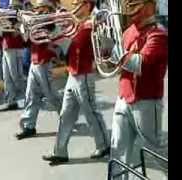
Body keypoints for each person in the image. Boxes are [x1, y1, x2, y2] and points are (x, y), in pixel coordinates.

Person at [105, 0, 168, 179]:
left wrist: (115, 52)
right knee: (118, 149)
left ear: (149, 6)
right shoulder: (128, 32)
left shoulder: (158, 34)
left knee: (153, 150)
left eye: (134, 4)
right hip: (123, 97)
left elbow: (140, 64)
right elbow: (118, 66)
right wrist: (106, 53)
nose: (129, 8)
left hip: (146, 101)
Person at [42, 0, 110, 163]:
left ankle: (104, 145)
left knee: (91, 113)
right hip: (72, 73)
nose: (74, 6)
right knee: (65, 115)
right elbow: (65, 45)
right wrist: (52, 29)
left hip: (84, 74)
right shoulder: (77, 25)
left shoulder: (92, 24)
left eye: (78, 3)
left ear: (87, 5)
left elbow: (103, 45)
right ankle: (60, 152)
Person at [15, 0, 62, 140]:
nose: (37, 10)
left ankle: (67, 118)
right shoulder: (36, 21)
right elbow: (26, 42)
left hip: (44, 62)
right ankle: (29, 126)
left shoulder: (51, 21)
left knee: (51, 95)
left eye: (40, 8)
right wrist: (22, 27)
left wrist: (35, 22)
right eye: (37, 8)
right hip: (34, 62)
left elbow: (51, 34)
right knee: (30, 95)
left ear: (47, 8)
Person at [0, 0, 26, 112]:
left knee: (16, 76)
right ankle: (11, 102)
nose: (10, 8)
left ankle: (31, 96)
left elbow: (20, 32)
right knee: (7, 77)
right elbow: (1, 33)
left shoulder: (21, 17)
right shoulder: (5, 17)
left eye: (12, 7)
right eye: (10, 6)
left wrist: (15, 26)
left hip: (15, 48)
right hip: (6, 47)